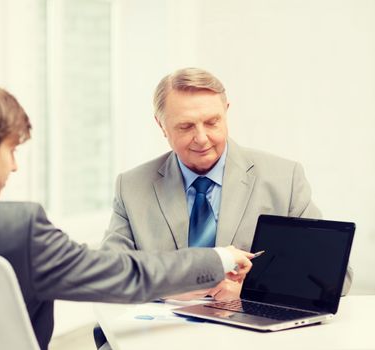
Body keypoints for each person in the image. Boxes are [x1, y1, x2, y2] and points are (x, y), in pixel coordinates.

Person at [0, 77, 254, 350]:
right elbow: (125, 275)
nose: (14, 167)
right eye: (11, 151)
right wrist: (219, 258)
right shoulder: (18, 229)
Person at [101, 67, 352, 302]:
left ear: (226, 112)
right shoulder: (131, 187)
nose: (202, 138)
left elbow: (336, 280)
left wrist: (251, 290)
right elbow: (108, 276)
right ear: (161, 125)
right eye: (186, 126)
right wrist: (172, 288)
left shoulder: (284, 179)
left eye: (212, 122)